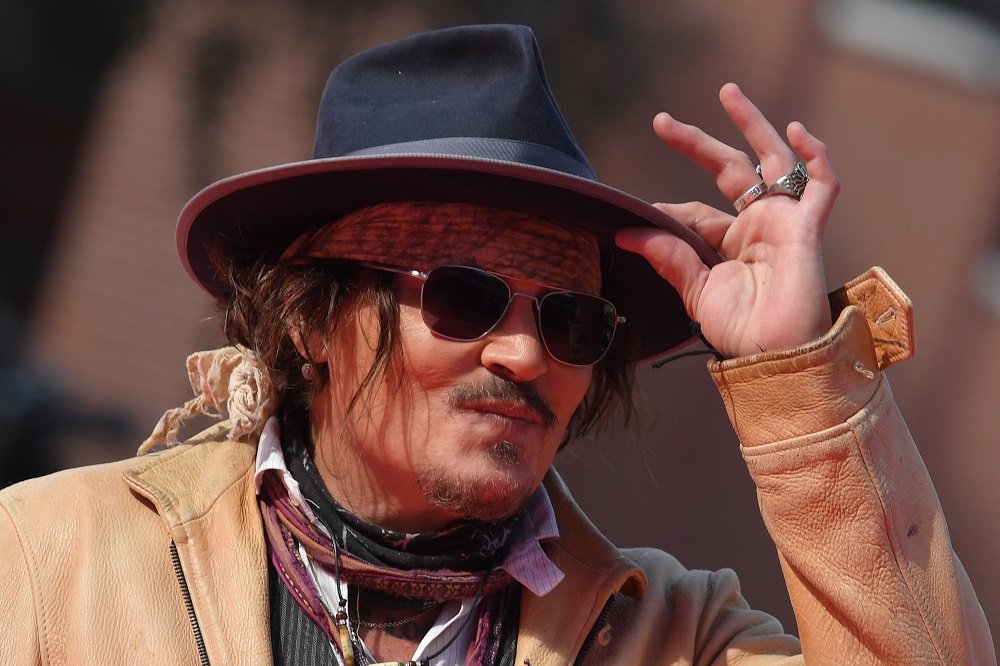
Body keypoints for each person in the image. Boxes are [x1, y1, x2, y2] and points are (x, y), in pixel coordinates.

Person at [0, 23, 993, 666]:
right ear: (310, 321)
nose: (525, 358)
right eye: (463, 297)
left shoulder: (669, 638)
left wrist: (802, 376)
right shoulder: (53, 560)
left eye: (570, 321)